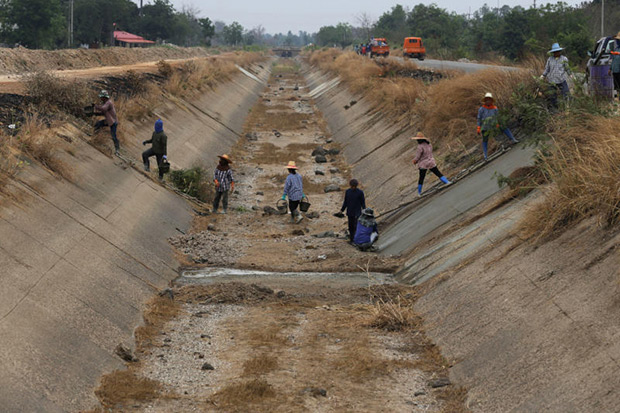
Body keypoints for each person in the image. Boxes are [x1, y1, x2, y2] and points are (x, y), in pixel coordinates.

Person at [476, 92, 519, 160]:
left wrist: (498, 123)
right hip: (485, 126)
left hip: (494, 125)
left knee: (504, 127)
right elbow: (479, 118)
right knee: (485, 140)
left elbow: (497, 117)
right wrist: (478, 127)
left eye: (489, 99)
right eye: (486, 100)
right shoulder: (481, 109)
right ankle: (485, 156)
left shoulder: (495, 108)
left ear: (491, 100)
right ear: (485, 101)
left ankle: (512, 139)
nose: (488, 101)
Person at [411, 132, 451, 196]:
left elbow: (418, 157)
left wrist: (414, 161)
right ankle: (447, 182)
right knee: (438, 173)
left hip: (423, 164)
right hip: (431, 161)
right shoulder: (429, 144)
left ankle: (419, 193)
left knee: (421, 178)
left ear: (418, 140)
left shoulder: (419, 147)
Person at [541, 43, 571, 107]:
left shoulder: (564, 59)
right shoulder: (550, 59)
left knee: (566, 94)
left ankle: (567, 108)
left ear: (560, 51)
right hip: (552, 81)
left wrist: (570, 75)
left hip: (561, 80)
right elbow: (547, 69)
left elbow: (567, 68)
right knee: (552, 97)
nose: (556, 53)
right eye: (555, 52)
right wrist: (543, 75)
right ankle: (554, 110)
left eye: (557, 51)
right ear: (553, 52)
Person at [94, 90, 120, 155]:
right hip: (110, 121)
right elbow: (103, 112)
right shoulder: (106, 102)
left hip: (113, 122)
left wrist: (95, 106)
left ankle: (117, 150)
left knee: (113, 136)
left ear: (104, 97)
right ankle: (95, 138)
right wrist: (95, 113)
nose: (100, 98)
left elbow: (103, 109)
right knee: (98, 125)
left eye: (101, 97)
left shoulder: (108, 103)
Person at [340, 179, 366, 243]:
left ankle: (356, 240)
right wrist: (342, 210)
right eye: (352, 186)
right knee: (350, 226)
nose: (353, 187)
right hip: (350, 212)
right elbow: (345, 202)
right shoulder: (348, 192)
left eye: (354, 186)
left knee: (356, 226)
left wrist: (364, 210)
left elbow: (363, 203)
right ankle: (352, 239)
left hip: (357, 212)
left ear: (356, 186)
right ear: (350, 186)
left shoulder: (360, 192)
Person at [609, 32, 620, 101]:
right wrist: (610, 69)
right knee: (617, 86)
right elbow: (613, 59)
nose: (617, 41)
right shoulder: (616, 49)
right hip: (615, 71)